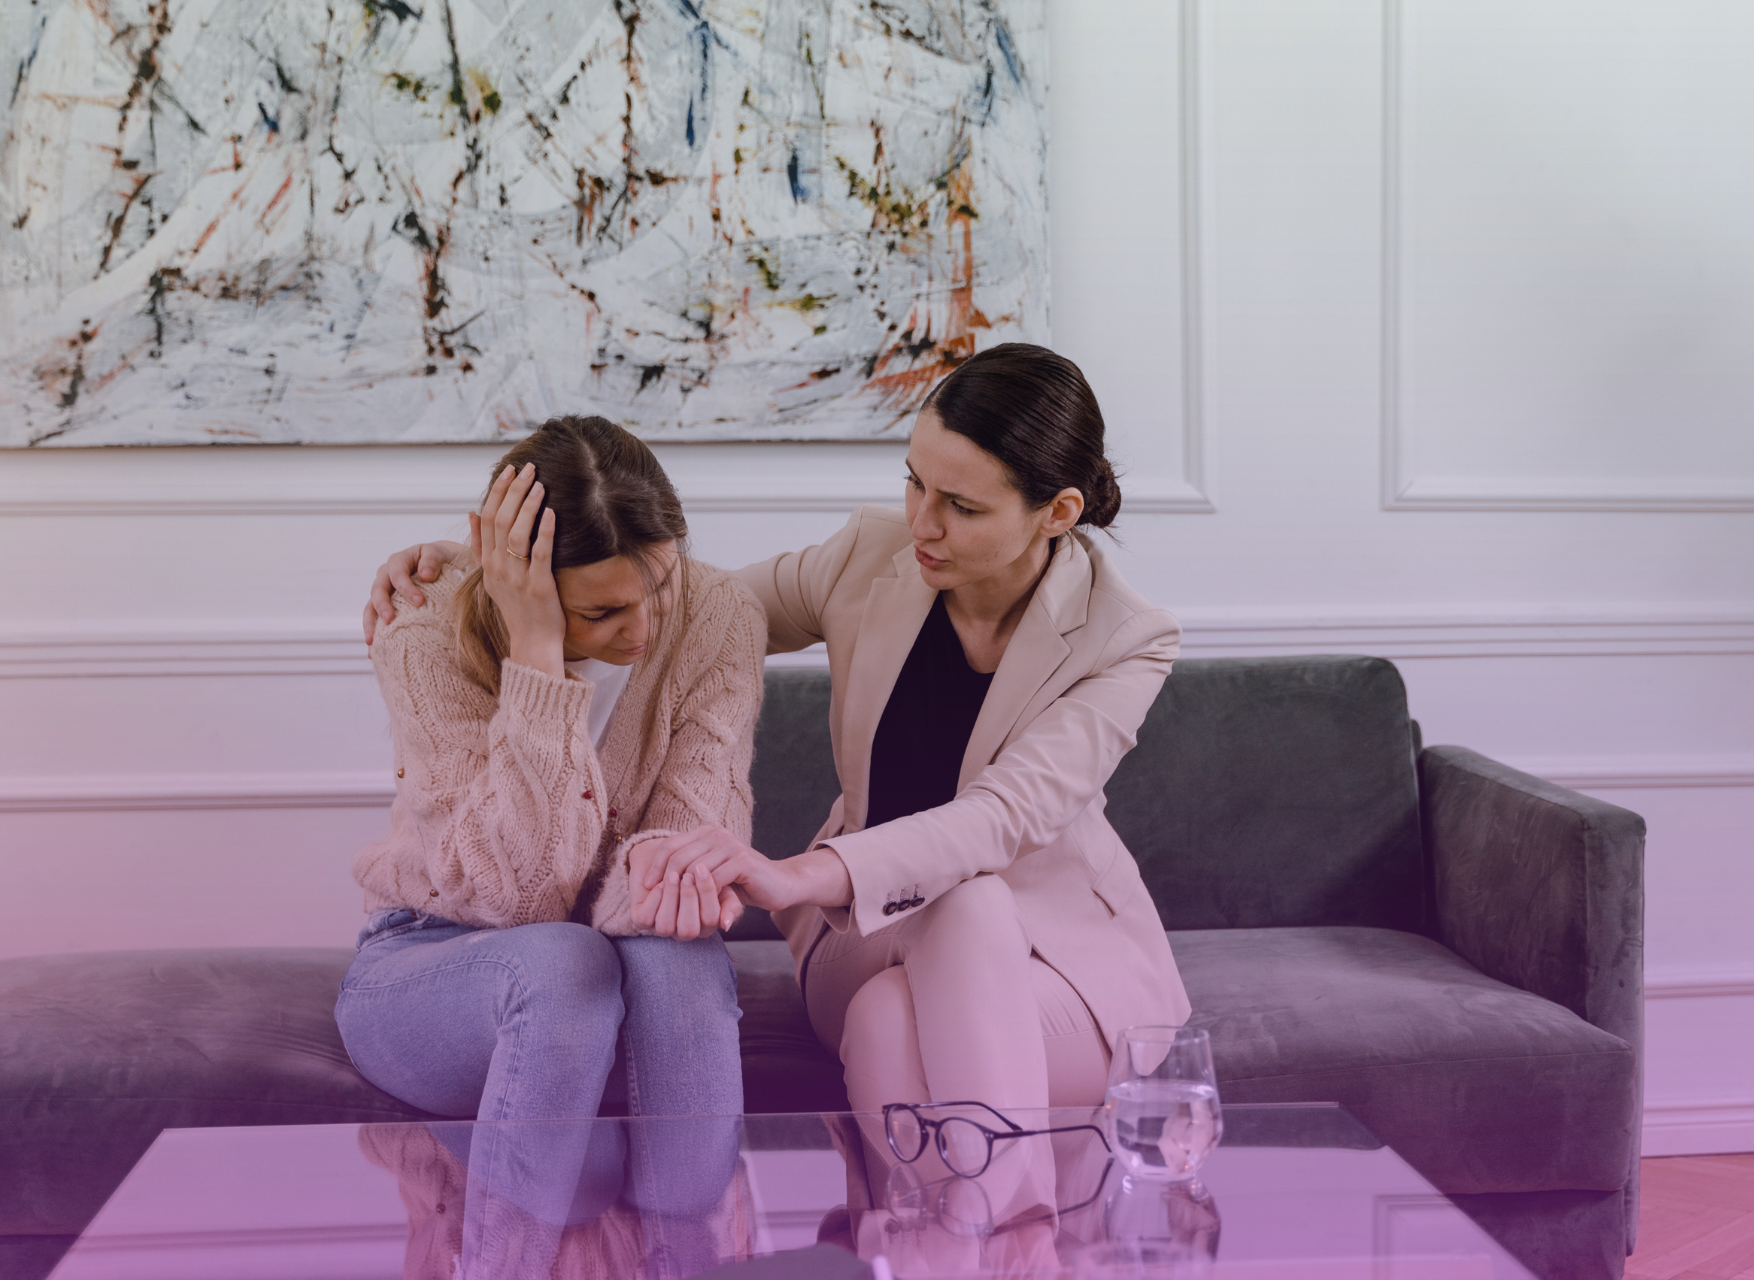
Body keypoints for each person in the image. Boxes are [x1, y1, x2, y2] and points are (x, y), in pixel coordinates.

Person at [364, 346, 1190, 1241]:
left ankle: (961, 1235)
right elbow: (667, 601)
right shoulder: (876, 557)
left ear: (1056, 513)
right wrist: (492, 566)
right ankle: (1013, 1235)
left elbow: (1003, 817)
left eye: (961, 505)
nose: (924, 523)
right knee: (895, 984)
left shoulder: (1128, 637)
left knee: (952, 930)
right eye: (916, 483)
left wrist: (807, 874)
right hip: (869, 943)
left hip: (1050, 965)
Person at [339, 415, 765, 1278]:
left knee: (675, 951)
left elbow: (680, 874)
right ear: (515, 576)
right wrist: (535, 659)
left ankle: (696, 1263)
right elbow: (515, 900)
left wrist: (662, 872)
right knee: (563, 962)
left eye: (660, 586)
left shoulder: (719, 614)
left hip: (628, 966)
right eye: (601, 610)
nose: (642, 629)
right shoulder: (424, 634)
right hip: (437, 960)